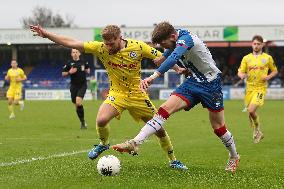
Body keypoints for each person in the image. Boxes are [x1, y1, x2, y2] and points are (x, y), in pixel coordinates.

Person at [30, 24, 188, 170]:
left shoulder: (138, 47)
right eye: (106, 43)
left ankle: (173, 159)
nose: (108, 47)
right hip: (116, 93)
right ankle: (103, 144)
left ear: (120, 38)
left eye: (112, 43)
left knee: (158, 129)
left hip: (137, 94)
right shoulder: (100, 48)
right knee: (101, 120)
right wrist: (47, 35)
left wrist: (178, 69)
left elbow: (162, 57)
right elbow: (72, 42)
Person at [113, 21, 240, 173]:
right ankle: (135, 142)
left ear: (172, 36)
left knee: (218, 128)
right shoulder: (175, 37)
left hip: (211, 84)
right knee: (164, 109)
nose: (163, 47)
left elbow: (174, 56)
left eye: (163, 43)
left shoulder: (186, 39)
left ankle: (234, 156)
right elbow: (170, 51)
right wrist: (163, 56)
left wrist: (153, 77)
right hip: (193, 82)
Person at [237, 35, 278, 143]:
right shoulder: (246, 58)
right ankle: (257, 131)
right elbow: (240, 71)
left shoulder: (267, 58)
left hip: (260, 88)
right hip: (249, 89)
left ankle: (257, 130)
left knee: (251, 110)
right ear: (252, 44)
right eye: (254, 44)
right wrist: (241, 75)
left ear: (262, 45)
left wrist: (268, 77)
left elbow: (275, 71)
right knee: (250, 114)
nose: (256, 46)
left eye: (258, 44)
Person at [62, 48, 90, 129]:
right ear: (71, 54)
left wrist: (85, 70)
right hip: (73, 86)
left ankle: (83, 123)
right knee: (76, 105)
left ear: (79, 53)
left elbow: (88, 70)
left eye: (76, 52)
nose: (75, 53)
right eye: (73, 52)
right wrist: (69, 72)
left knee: (78, 103)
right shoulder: (69, 63)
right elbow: (63, 73)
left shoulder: (84, 62)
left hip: (82, 85)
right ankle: (82, 122)